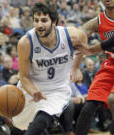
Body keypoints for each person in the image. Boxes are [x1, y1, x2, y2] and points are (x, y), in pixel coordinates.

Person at [12, 2, 89, 135]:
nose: (39, 25)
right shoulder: (26, 43)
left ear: (54, 21)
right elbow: (24, 76)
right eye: (36, 20)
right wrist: (33, 92)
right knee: (19, 127)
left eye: (44, 20)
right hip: (32, 87)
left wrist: (76, 67)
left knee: (41, 120)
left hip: (57, 89)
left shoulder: (70, 35)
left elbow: (83, 37)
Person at [70, 0, 114, 135]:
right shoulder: (98, 21)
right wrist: (75, 68)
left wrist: (91, 49)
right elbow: (80, 39)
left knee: (112, 100)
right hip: (110, 65)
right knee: (88, 107)